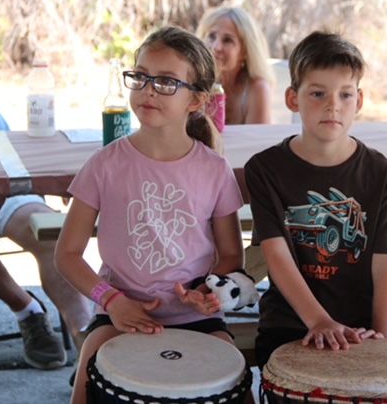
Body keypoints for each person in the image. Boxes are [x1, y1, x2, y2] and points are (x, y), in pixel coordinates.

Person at [54, 26, 246, 403]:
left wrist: (205, 291)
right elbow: (67, 254)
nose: (148, 90)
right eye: (140, 76)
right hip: (119, 313)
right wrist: (111, 300)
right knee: (87, 373)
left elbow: (231, 255)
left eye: (166, 81)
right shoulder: (104, 164)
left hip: (197, 319)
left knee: (235, 380)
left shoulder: (214, 169)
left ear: (196, 99)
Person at [244, 30, 387, 369]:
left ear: (358, 102)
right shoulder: (265, 169)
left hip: (364, 326)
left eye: (345, 94)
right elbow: (277, 254)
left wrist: (382, 337)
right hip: (292, 324)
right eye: (318, 93)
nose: (333, 105)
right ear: (293, 99)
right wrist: (318, 321)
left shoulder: (381, 173)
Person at [0, 62, 92, 369]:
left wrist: (57, 177)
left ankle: (88, 340)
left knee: (50, 231)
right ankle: (28, 311)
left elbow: (6, 142)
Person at [196, 6, 275, 125]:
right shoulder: (192, 81)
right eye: (212, 36)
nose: (216, 47)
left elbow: (259, 137)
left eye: (228, 40)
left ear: (245, 51)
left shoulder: (257, 88)